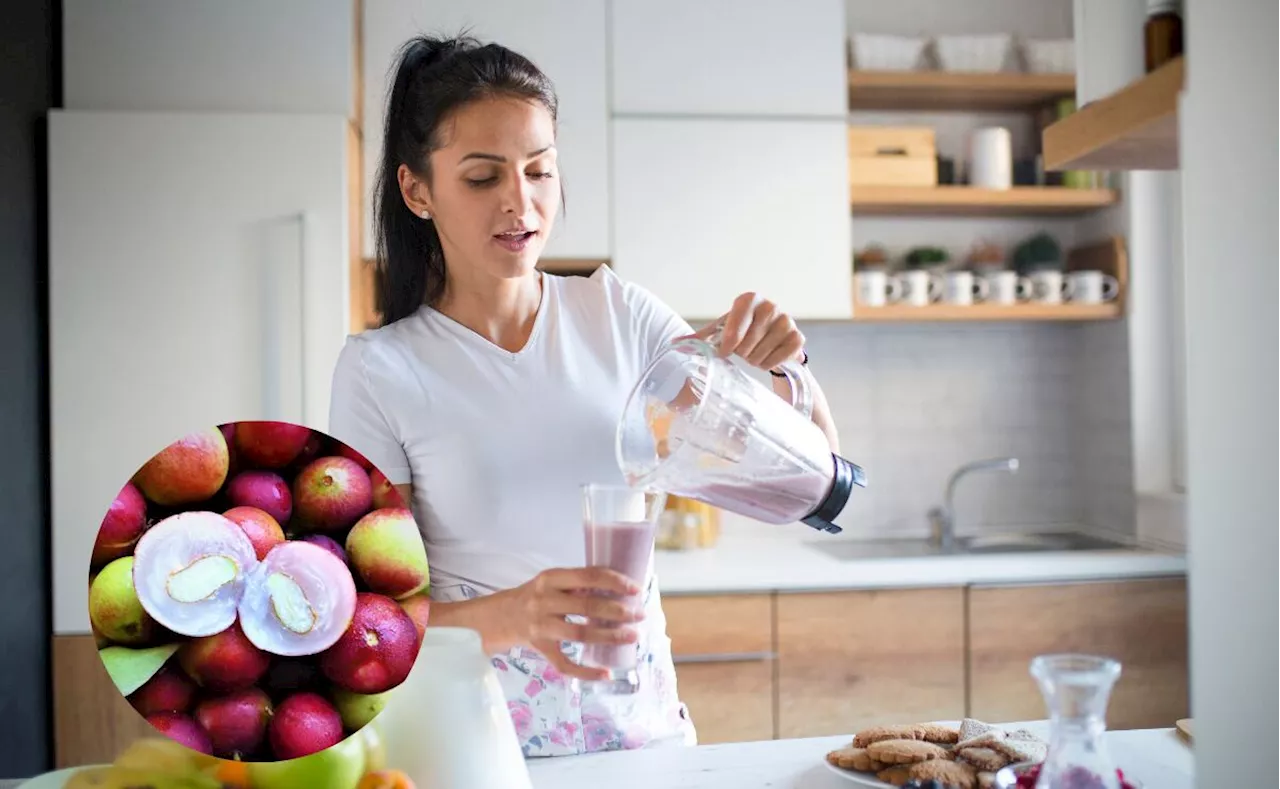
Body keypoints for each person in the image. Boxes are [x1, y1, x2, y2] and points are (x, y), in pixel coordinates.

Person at [327, 33, 840, 758]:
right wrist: (514, 614)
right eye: (482, 177)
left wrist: (789, 371)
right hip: (477, 750)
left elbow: (808, 485)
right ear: (417, 190)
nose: (521, 202)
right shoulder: (381, 371)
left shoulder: (618, 317)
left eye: (540, 170)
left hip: (644, 740)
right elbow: (369, 619)